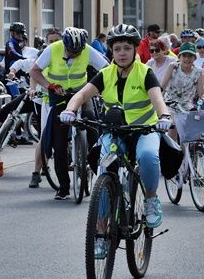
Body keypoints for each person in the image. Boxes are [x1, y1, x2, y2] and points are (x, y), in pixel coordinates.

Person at [60, 24, 172, 248]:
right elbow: (82, 94)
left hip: (145, 129)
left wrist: (164, 116)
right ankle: (101, 232)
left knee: (148, 156)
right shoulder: (105, 74)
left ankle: (150, 199)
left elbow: (157, 98)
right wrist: (70, 110)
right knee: (104, 170)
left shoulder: (145, 73)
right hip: (114, 131)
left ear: (134, 50)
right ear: (111, 51)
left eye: (127, 48)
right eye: (117, 48)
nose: (122, 53)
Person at [30, 26, 108, 200]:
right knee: (59, 142)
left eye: (78, 51)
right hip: (59, 95)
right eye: (71, 51)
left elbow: (106, 67)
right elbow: (34, 71)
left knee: (91, 121)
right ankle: (64, 188)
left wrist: (99, 87)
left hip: (82, 93)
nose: (75, 54)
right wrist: (49, 85)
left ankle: (93, 157)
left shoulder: (87, 50)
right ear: (64, 44)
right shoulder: (53, 49)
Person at [28, 29, 62, 188]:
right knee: (44, 137)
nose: (54, 44)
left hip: (67, 100)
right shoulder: (44, 54)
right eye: (51, 41)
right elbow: (34, 73)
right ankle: (36, 172)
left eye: (57, 40)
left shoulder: (67, 54)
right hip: (48, 101)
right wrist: (32, 89)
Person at [160, 43, 204, 141]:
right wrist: (157, 101)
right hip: (170, 104)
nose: (187, 59)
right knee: (172, 131)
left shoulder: (198, 71)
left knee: (190, 135)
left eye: (190, 56)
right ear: (179, 57)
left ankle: (190, 153)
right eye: (184, 56)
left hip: (186, 106)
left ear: (194, 58)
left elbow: (202, 94)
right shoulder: (173, 67)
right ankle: (173, 154)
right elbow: (162, 87)